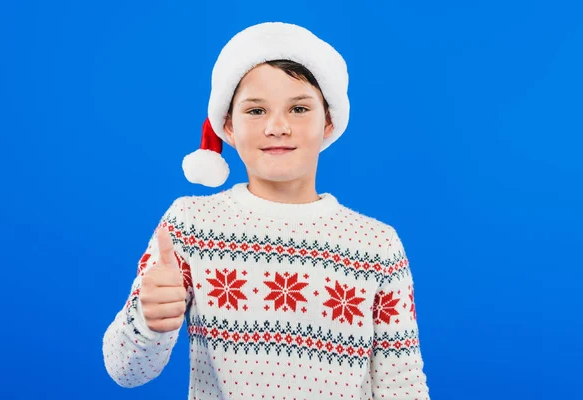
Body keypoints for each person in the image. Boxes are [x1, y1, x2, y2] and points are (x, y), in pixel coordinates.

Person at [102, 21, 431, 400]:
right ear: (227, 124)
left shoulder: (377, 246)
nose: (277, 126)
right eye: (256, 110)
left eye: (299, 108)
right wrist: (149, 320)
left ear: (329, 121)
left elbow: (402, 385)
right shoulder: (190, 225)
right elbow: (124, 369)